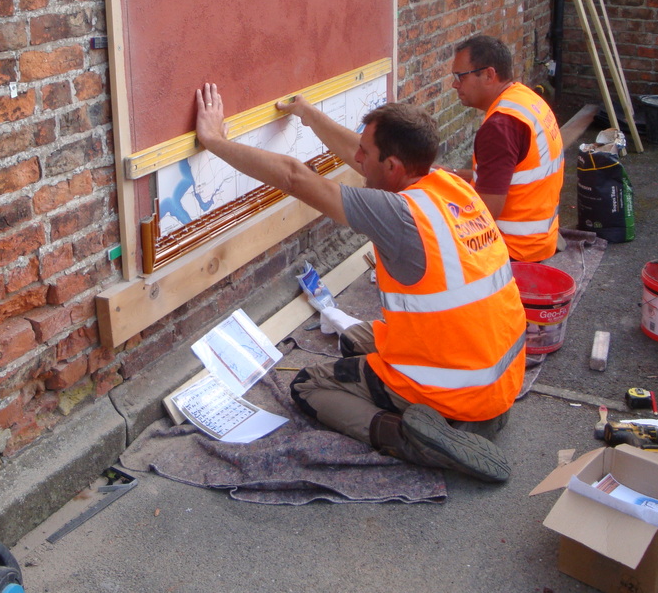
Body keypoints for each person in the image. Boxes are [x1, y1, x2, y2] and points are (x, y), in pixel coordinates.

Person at [193, 83, 525, 482]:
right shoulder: (450, 187)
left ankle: (412, 437)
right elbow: (363, 151)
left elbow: (295, 178)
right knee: (355, 340)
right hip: (499, 378)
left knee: (309, 386)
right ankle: (471, 419)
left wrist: (213, 140)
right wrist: (309, 115)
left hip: (452, 386)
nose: (357, 158)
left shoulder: (398, 213)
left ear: (393, 167)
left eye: (366, 154)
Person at [448, 35, 564, 263]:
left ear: (489, 75)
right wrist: (449, 176)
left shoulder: (500, 128)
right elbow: (510, 177)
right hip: (540, 240)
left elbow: (485, 213)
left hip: (512, 250)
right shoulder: (525, 99)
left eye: (459, 76)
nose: (454, 84)